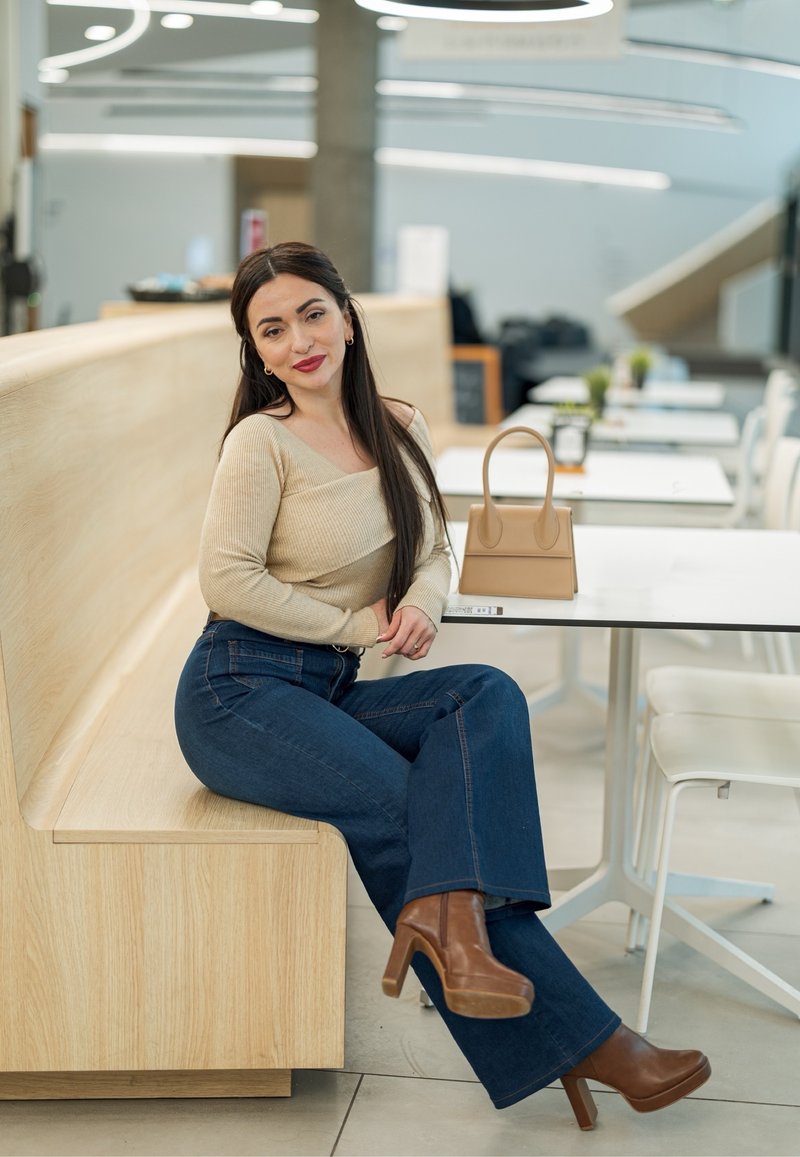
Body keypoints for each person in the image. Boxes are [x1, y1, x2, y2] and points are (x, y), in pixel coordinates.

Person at [174, 241, 710, 1129]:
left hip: (331, 688)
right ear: (256, 351)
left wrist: (423, 602)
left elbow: (432, 551)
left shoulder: (399, 425)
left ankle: (461, 939)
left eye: (312, 313)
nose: (298, 339)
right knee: (397, 803)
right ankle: (598, 1042)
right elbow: (227, 582)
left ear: (346, 317)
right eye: (272, 329)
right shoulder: (259, 443)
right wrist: (357, 626)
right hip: (240, 691)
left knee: (486, 693)